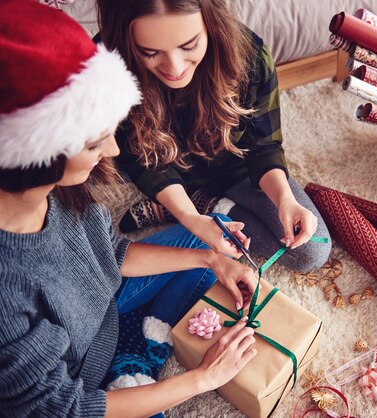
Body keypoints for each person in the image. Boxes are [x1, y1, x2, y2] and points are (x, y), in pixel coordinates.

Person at [0, 1, 259, 416]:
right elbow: (68, 409)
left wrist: (209, 259)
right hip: (79, 384)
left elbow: (110, 253)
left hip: (102, 315)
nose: (115, 150)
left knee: (215, 232)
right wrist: (202, 378)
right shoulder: (6, 290)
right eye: (93, 143)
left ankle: (136, 346)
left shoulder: (55, 192)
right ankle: (135, 359)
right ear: (36, 155)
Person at [96, 0, 332, 273]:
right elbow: (143, 163)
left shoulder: (249, 55)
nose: (174, 68)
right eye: (149, 52)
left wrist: (285, 200)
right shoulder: (107, 68)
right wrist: (191, 218)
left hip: (239, 169)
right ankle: (186, 205)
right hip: (165, 173)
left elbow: (263, 145)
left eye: (189, 46)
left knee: (311, 252)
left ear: (211, 21)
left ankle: (202, 202)